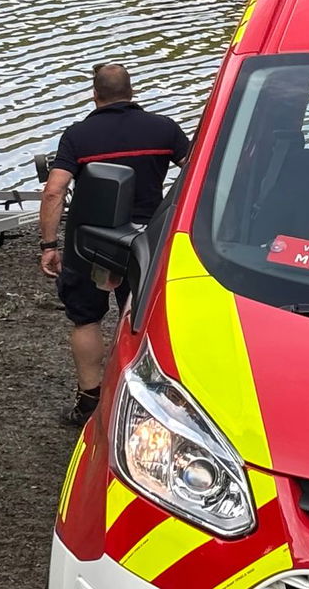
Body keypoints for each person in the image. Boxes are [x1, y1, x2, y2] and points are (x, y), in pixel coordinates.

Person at [38, 62, 190, 426]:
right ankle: (142, 403)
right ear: (132, 92)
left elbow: (54, 191)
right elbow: (198, 173)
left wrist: (49, 244)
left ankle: (89, 400)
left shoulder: (78, 136)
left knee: (86, 319)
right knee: (140, 319)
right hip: (144, 242)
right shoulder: (164, 129)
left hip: (88, 242)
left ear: (95, 94)